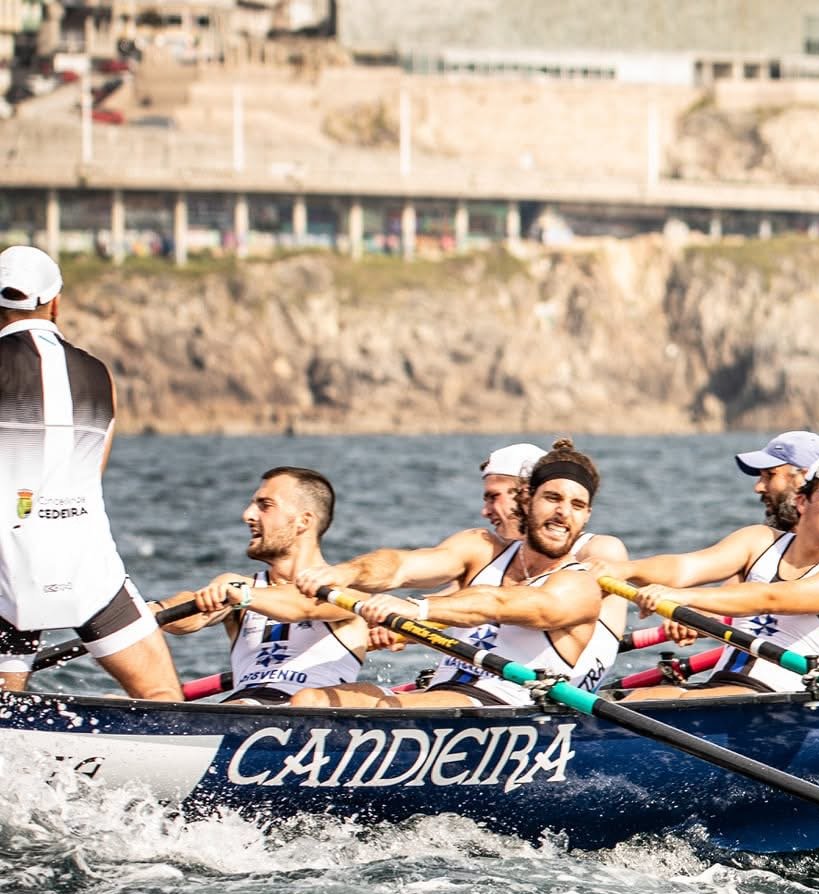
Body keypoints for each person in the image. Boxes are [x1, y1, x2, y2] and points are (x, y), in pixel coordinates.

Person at [293, 439, 620, 707]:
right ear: (526, 499)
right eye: (552, 498)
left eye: (577, 506)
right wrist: (346, 572)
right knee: (311, 700)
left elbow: (498, 604)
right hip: (444, 696)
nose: (563, 513)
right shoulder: (480, 548)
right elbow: (401, 565)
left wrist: (418, 609)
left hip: (508, 706)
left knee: (392, 708)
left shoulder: (579, 585)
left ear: (587, 515)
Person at [0, 244, 181, 699]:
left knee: (6, 712)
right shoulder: (100, 374)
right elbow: (90, 473)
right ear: (55, 303)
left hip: (6, 572)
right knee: (163, 697)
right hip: (87, 570)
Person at [609, 457, 819, 699]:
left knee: (660, 704)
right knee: (643, 697)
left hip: (783, 702)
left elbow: (771, 598)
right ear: (802, 501)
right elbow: (685, 567)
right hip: (723, 688)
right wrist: (625, 570)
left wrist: (680, 597)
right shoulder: (759, 540)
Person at [157, 468, 369, 703]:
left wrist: (242, 596)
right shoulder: (235, 585)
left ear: (304, 521)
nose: (247, 515)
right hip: (241, 705)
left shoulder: (349, 595)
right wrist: (154, 611)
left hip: (310, 710)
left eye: (265, 506)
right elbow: (192, 616)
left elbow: (304, 606)